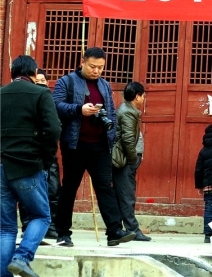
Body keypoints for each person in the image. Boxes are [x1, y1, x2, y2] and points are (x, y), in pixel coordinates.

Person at [52, 47, 136, 247]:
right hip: (75, 144)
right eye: (92, 66)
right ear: (83, 62)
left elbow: (112, 114)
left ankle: (114, 231)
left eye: (100, 67)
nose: (96, 71)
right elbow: (56, 105)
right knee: (69, 189)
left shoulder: (105, 85)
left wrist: (111, 132)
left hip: (100, 145)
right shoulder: (67, 81)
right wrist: (79, 109)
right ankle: (63, 233)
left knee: (105, 188)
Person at [1, 56, 61, 277]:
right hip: (28, 165)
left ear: (12, 73)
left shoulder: (0, 94)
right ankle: (22, 257)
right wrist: (45, 159)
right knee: (41, 216)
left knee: (5, 228)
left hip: (1, 165)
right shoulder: (41, 93)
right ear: (35, 73)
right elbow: (54, 130)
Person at [18, 69, 60, 240]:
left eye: (44, 80)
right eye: (39, 79)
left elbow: (55, 126)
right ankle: (28, 225)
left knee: (53, 189)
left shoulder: (50, 99)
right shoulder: (28, 99)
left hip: (48, 152)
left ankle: (51, 226)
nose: (41, 82)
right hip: (30, 153)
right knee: (27, 191)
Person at [112, 81, 150, 241]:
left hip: (127, 159)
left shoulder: (127, 110)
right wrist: (133, 158)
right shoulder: (128, 112)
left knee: (123, 194)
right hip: (126, 160)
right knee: (127, 195)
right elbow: (128, 139)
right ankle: (132, 229)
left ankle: (125, 227)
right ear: (137, 96)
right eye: (143, 95)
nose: (144, 98)